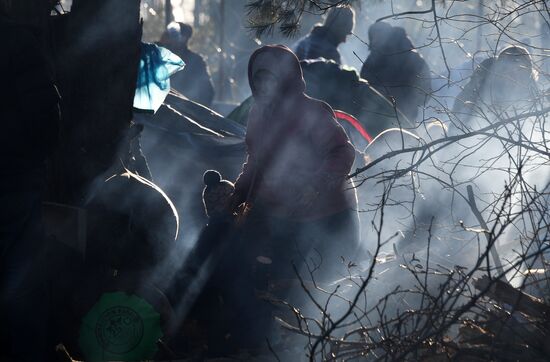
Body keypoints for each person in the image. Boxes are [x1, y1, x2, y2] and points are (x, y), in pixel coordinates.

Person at [0, 8, 60, 361]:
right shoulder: (18, 42)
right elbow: (46, 121)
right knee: (22, 288)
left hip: (16, 180)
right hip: (16, 182)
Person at [452, 45, 539, 130]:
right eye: (507, 70)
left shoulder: (530, 90)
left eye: (520, 71)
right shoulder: (481, 84)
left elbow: (536, 120)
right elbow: (460, 107)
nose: (513, 76)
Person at [360, 21, 432, 122]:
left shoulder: (373, 60)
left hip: (380, 122)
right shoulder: (415, 58)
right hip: (400, 121)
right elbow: (425, 95)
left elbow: (362, 90)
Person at [159, 22, 215, 107]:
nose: (168, 39)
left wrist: (196, 111)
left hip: (184, 112)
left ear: (184, 38)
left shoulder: (196, 62)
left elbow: (207, 92)